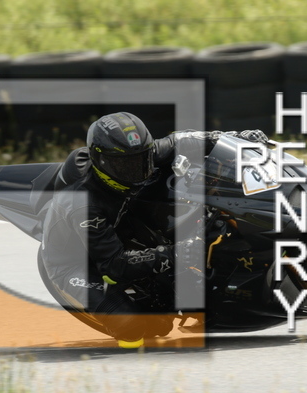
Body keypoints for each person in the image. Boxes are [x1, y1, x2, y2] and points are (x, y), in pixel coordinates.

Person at [39, 112, 268, 347]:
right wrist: (176, 253)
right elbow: (114, 265)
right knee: (137, 329)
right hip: (74, 263)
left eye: (142, 159)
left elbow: (181, 141)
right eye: (124, 165)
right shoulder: (84, 205)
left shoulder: (139, 154)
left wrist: (234, 139)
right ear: (102, 162)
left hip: (119, 222)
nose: (136, 170)